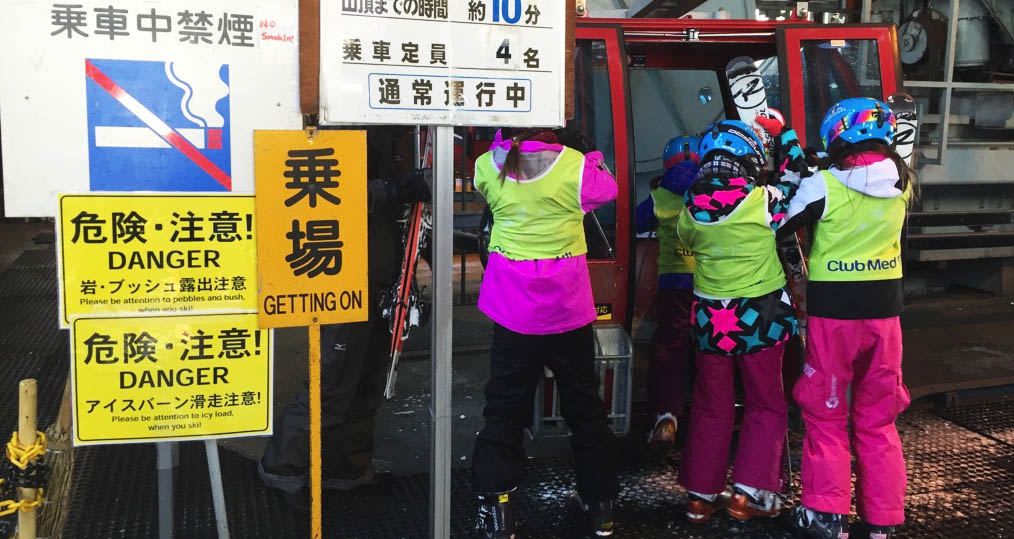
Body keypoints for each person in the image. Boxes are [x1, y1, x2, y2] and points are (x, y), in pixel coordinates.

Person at [258, 127, 431, 508]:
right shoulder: (337, 124)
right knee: (332, 380)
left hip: (380, 273)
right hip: (342, 272)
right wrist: (399, 189)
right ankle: (284, 470)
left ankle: (345, 470)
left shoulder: (390, 129)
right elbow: (329, 194)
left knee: (367, 380)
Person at [470, 128, 619, 538]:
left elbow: (488, 177)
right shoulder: (576, 168)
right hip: (567, 311)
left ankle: (498, 513)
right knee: (585, 407)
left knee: (503, 408)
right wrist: (592, 156)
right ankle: (601, 507)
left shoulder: (489, 166)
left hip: (512, 310)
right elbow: (609, 189)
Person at [781, 98, 912, 539]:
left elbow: (781, 224)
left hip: (833, 317)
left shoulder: (824, 185)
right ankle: (883, 521)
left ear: (835, 135)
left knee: (826, 411)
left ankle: (826, 514)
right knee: (878, 418)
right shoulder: (904, 183)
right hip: (885, 317)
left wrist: (796, 174)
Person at [674, 119, 805, 523]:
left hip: (710, 318)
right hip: (761, 317)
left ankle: (699, 496)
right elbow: (797, 178)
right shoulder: (764, 199)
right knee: (766, 402)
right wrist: (784, 134)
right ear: (748, 158)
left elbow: (685, 242)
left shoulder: (690, 205)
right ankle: (749, 494)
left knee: (711, 404)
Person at [634, 135, 700, 445]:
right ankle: (708, 421)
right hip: (711, 283)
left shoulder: (662, 195)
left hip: (674, 285)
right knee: (711, 354)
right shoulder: (713, 189)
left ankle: (666, 416)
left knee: (670, 349)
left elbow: (635, 221)